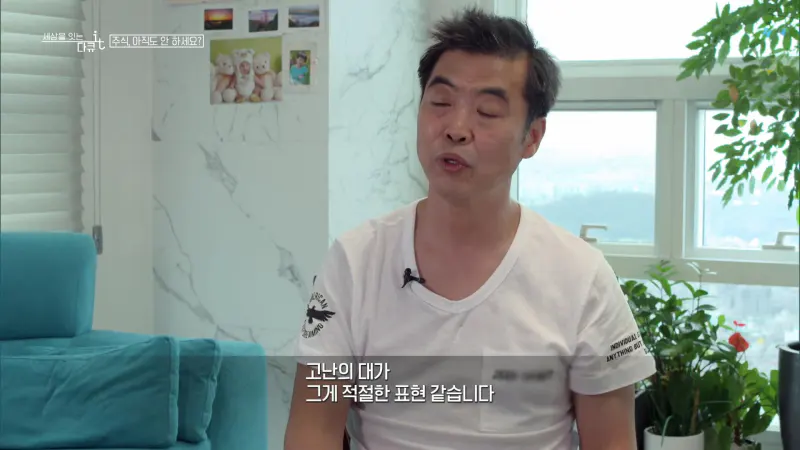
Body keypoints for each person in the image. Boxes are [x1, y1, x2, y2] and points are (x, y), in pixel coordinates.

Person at [285, 7, 655, 450]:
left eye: (487, 111)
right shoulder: (355, 261)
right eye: (440, 103)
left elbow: (611, 442)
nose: (456, 129)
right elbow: (313, 431)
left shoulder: (582, 278)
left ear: (532, 137)